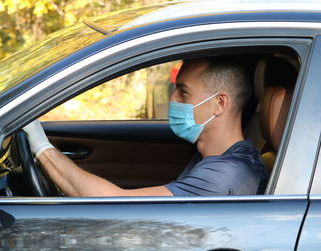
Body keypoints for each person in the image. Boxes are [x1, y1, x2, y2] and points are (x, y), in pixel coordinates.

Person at [23, 57, 268, 197]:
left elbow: (116, 204)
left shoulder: (227, 175)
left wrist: (41, 147)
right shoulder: (214, 158)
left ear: (219, 104)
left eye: (183, 92)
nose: (172, 100)